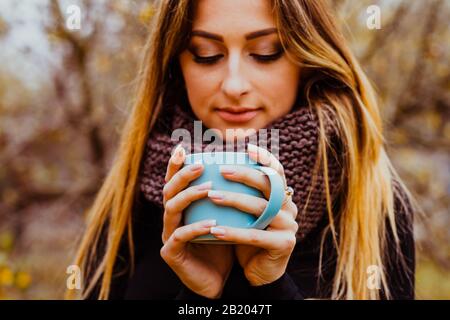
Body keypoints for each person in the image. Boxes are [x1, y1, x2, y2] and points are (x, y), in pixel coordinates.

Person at [67, 0, 415, 300]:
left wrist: (271, 287)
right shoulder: (129, 191)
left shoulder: (371, 199)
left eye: (266, 53)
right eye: (207, 55)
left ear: (305, 57)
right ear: (176, 63)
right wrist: (197, 296)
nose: (234, 85)